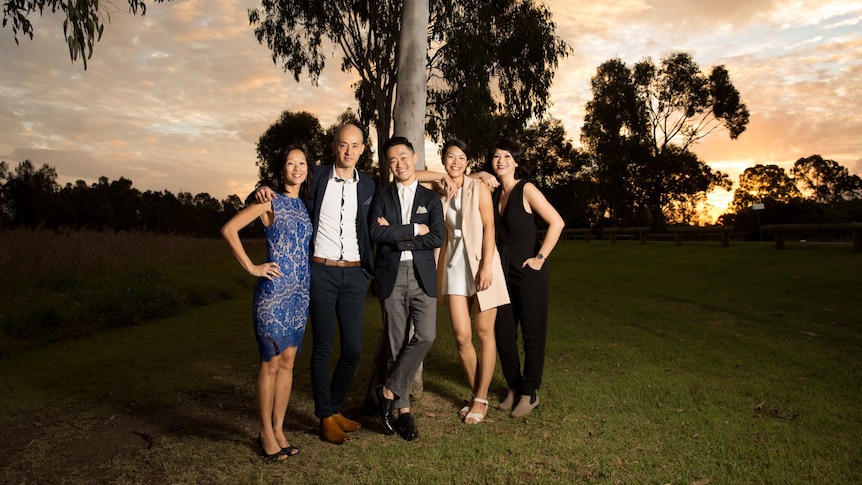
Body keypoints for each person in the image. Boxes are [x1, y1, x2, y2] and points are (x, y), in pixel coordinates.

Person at [256, 123, 376, 445]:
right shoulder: (317, 176)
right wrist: (261, 189)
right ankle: (324, 416)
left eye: (355, 145)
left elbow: (400, 188)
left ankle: (334, 408)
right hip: (320, 272)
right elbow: (286, 190)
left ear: (362, 149)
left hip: (354, 273)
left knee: (352, 348)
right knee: (323, 346)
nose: (349, 151)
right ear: (334, 146)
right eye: (343, 145)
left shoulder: (368, 186)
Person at [221, 145, 313, 460]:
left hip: (301, 294)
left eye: (302, 163)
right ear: (281, 169)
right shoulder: (268, 200)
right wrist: (252, 267)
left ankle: (279, 428)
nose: (297, 168)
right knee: (270, 363)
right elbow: (229, 229)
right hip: (273, 294)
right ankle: (264, 432)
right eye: (291, 163)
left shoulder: (303, 205)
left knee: (288, 363)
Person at [369, 136, 445, 441]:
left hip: (422, 275)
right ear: (388, 165)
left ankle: (388, 389)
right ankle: (403, 413)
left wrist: (394, 234)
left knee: (427, 335)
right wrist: (414, 230)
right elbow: (375, 232)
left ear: (414, 158)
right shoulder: (382, 196)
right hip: (390, 275)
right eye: (392, 160)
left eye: (403, 157)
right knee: (395, 343)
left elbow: (437, 237)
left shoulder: (430, 199)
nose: (399, 164)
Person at [487, 138, 564, 418]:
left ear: (517, 161)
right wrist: (482, 175)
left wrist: (539, 258)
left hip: (529, 273)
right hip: (502, 272)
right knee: (504, 334)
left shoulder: (527, 189)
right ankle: (514, 387)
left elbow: (557, 222)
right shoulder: (493, 192)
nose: (501, 161)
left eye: (507, 156)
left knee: (532, 335)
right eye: (496, 156)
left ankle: (530, 393)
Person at [435, 139, 509, 424]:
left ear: (468, 161)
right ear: (443, 161)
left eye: (462, 157)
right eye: (450, 157)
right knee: (462, 336)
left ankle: (479, 399)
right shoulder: (439, 189)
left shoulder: (478, 188)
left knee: (483, 332)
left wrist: (488, 265)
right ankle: (479, 393)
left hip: (481, 262)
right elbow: (411, 175)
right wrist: (440, 178)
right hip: (454, 264)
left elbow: (489, 226)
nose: (456, 162)